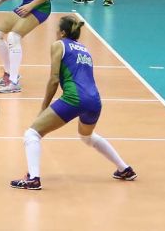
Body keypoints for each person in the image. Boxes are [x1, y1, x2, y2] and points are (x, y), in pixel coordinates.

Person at [9, 15, 137, 190]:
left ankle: (33, 178)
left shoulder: (58, 45)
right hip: (94, 101)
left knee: (32, 134)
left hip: (74, 98)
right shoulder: (84, 49)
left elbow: (54, 79)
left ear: (62, 32)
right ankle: (124, 169)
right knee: (87, 136)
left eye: (56, 29)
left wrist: (44, 107)